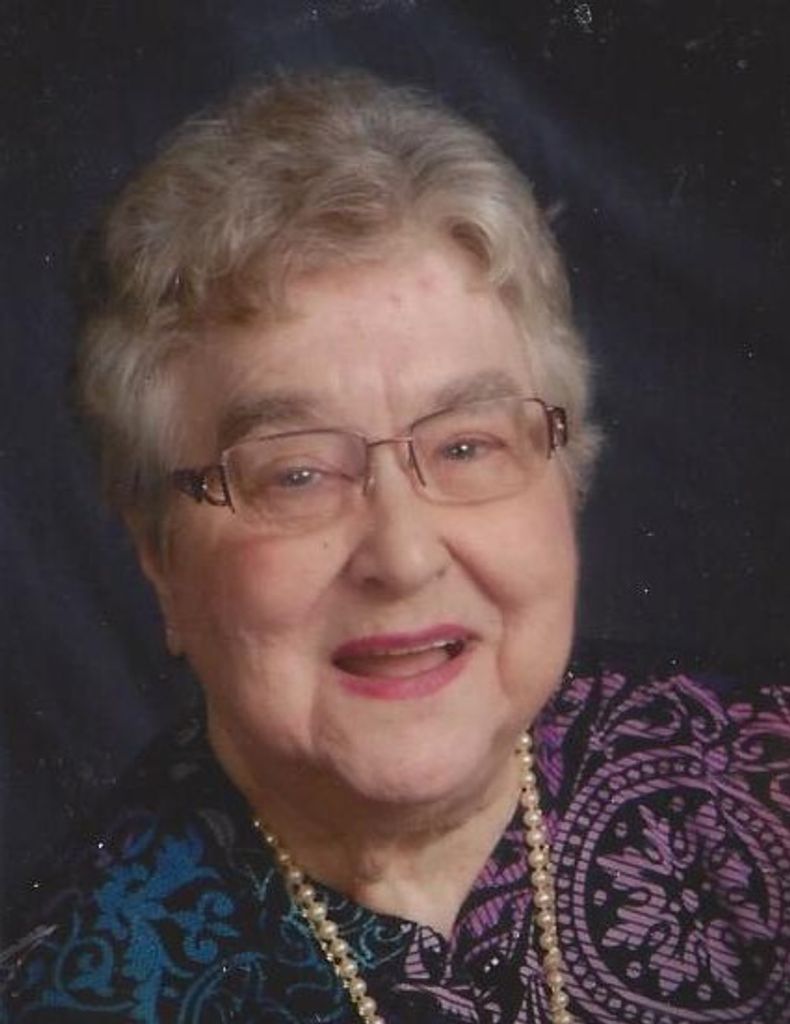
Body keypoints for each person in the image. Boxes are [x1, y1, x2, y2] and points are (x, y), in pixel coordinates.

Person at [1, 69, 787, 1024]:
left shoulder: (766, 779)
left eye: (465, 446)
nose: (405, 557)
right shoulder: (71, 993)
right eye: (295, 474)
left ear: (567, 474)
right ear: (158, 556)